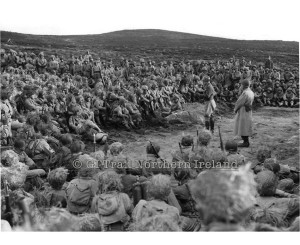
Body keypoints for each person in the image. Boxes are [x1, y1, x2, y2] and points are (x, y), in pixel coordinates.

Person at [233, 79, 254, 147]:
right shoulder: (250, 92)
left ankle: (246, 142)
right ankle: (245, 141)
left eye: (241, 85)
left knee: (243, 125)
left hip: (243, 110)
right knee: (246, 124)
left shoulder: (245, 93)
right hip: (248, 110)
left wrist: (235, 109)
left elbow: (239, 102)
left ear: (243, 85)